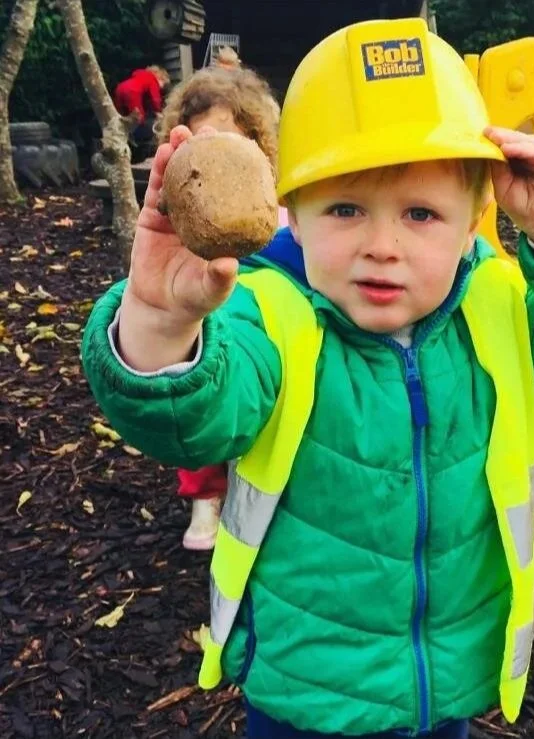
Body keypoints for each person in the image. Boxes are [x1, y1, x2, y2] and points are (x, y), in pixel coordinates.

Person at [82, 17, 534, 739]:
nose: (381, 247)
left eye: (421, 213)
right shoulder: (270, 315)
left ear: (474, 221)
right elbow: (188, 419)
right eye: (345, 209)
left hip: (447, 677)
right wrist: (159, 318)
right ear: (290, 214)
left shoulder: (495, 310)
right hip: (308, 690)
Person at [154, 64, 284, 550]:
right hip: (214, 317)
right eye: (205, 138)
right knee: (201, 391)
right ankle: (205, 497)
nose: (220, 152)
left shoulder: (275, 205)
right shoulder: (186, 208)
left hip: (268, 321)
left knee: (267, 406)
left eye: (234, 138)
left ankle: (261, 492)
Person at [114, 65, 170, 144]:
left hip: (120, 88)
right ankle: (134, 138)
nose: (162, 87)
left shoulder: (141, 75)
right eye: (163, 83)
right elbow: (155, 99)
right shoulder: (152, 79)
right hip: (132, 92)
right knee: (139, 118)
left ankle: (120, 131)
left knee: (122, 115)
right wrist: (158, 111)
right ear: (160, 78)